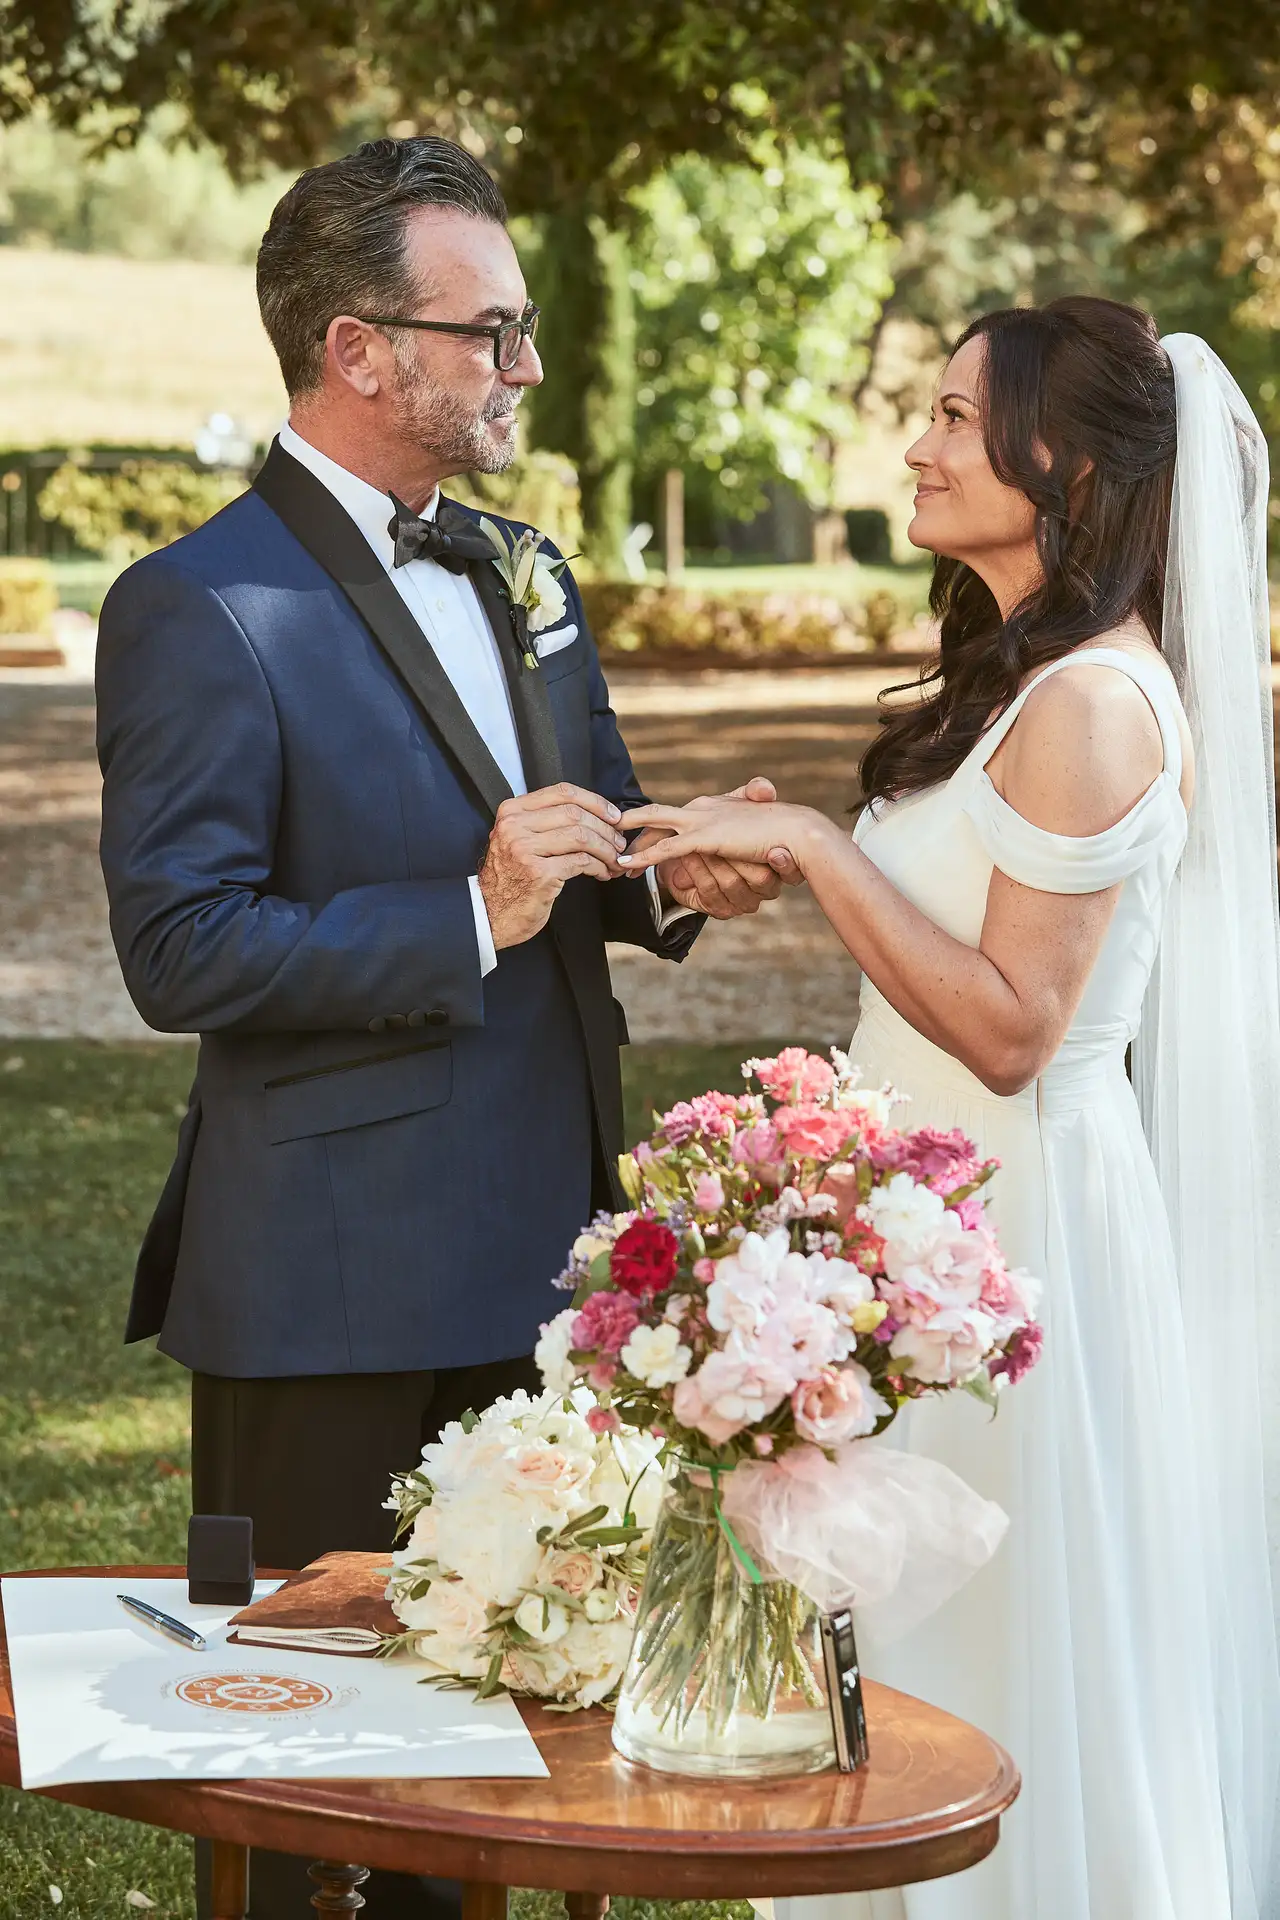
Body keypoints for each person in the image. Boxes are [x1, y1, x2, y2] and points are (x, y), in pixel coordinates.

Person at [95, 135, 782, 1920]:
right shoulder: (198, 605)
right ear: (358, 349)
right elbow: (179, 949)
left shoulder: (524, 569)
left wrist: (675, 877)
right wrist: (471, 911)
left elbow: (583, 829)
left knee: (517, 1755)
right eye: (492, 332)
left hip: (548, 1255)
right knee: (308, 1769)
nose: (525, 367)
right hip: (328, 1282)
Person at [622, 297, 1280, 1919]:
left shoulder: (1096, 706)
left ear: (1074, 468)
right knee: (899, 1647)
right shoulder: (1023, 680)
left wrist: (820, 852)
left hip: (1019, 1236)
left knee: (996, 1648)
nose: (916, 447)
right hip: (923, 1229)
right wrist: (790, 857)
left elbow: (1012, 1029)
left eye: (956, 419)